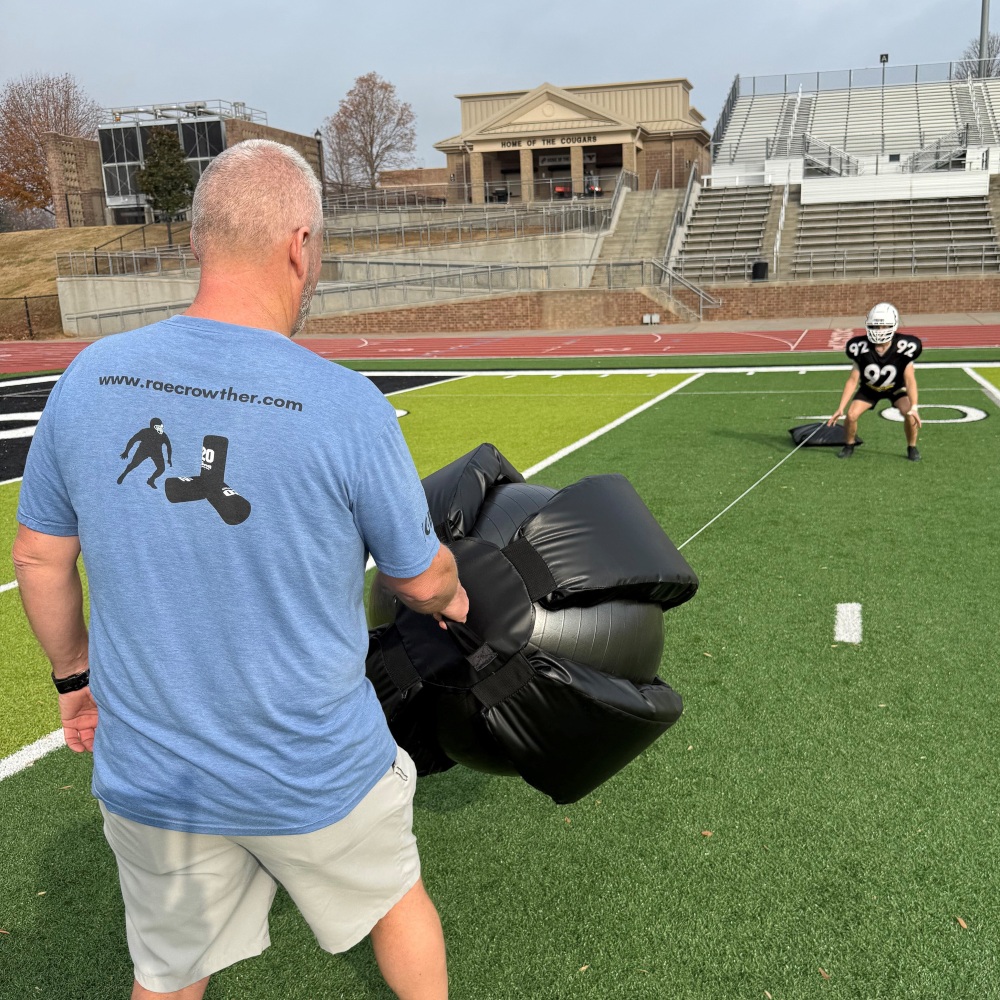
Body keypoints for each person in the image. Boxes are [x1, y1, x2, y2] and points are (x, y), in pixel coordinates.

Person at [12, 139, 467, 1000]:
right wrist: (458, 593)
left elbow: (38, 556)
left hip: (158, 778)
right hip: (318, 766)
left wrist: (74, 682)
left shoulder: (87, 378)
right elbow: (419, 579)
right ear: (301, 246)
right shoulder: (345, 404)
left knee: (169, 974)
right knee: (397, 905)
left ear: (195, 243)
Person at [827, 302, 923, 461]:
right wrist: (841, 407)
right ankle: (849, 444)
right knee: (851, 415)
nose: (879, 331)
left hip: (896, 388)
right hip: (870, 388)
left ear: (893, 326)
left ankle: (912, 447)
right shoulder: (860, 347)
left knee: (910, 414)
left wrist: (914, 406)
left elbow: (910, 380)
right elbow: (852, 380)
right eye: (875, 327)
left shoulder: (904, 347)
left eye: (884, 326)